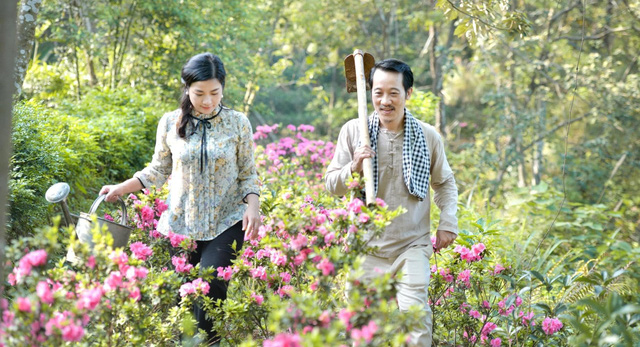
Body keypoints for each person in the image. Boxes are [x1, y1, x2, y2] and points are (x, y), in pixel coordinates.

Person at [99, 52, 261, 345]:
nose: (208, 101)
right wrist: (121, 187)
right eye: (200, 93)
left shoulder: (238, 123)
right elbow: (158, 169)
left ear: (223, 88)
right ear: (187, 88)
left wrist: (253, 206)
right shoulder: (170, 122)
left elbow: (248, 174)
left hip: (226, 221)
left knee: (210, 287)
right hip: (180, 225)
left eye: (215, 93)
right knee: (183, 304)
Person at [325, 58, 458, 346]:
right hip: (366, 247)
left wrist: (448, 223)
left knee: (416, 322)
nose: (385, 101)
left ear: (408, 94)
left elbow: (444, 183)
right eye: (378, 92)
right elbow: (332, 184)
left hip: (412, 243)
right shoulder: (353, 132)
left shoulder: (428, 136)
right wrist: (354, 167)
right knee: (361, 329)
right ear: (369, 92)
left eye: (393, 93)